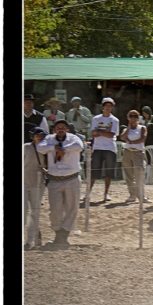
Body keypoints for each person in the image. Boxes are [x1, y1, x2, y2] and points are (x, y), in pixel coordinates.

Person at [36, 120, 85, 248]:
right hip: (54, 180)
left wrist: (63, 149)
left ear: (67, 129)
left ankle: (63, 236)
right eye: (58, 127)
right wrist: (54, 147)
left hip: (72, 179)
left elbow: (80, 146)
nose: (61, 129)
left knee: (72, 208)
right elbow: (40, 148)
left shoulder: (74, 138)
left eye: (63, 127)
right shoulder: (49, 139)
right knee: (55, 210)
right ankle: (58, 232)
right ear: (54, 130)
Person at [89, 97, 120, 203]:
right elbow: (93, 133)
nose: (108, 107)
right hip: (97, 147)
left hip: (110, 148)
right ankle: (88, 193)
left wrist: (99, 131)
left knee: (109, 172)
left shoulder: (115, 120)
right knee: (94, 171)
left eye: (110, 106)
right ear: (102, 107)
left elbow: (112, 134)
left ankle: (106, 193)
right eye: (106, 105)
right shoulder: (96, 119)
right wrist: (104, 131)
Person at [24, 127, 48, 250]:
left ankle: (30, 240)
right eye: (36, 135)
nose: (39, 137)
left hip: (38, 185)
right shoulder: (26, 147)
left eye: (42, 135)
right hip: (24, 183)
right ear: (32, 136)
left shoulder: (46, 149)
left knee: (35, 213)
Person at [118, 110, 148, 203]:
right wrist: (128, 128)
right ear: (128, 117)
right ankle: (132, 195)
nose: (133, 118)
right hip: (127, 152)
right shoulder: (126, 129)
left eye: (135, 116)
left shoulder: (142, 128)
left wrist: (131, 142)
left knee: (139, 175)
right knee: (129, 175)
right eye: (131, 116)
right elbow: (122, 137)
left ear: (138, 118)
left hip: (138, 153)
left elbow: (142, 139)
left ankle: (141, 196)